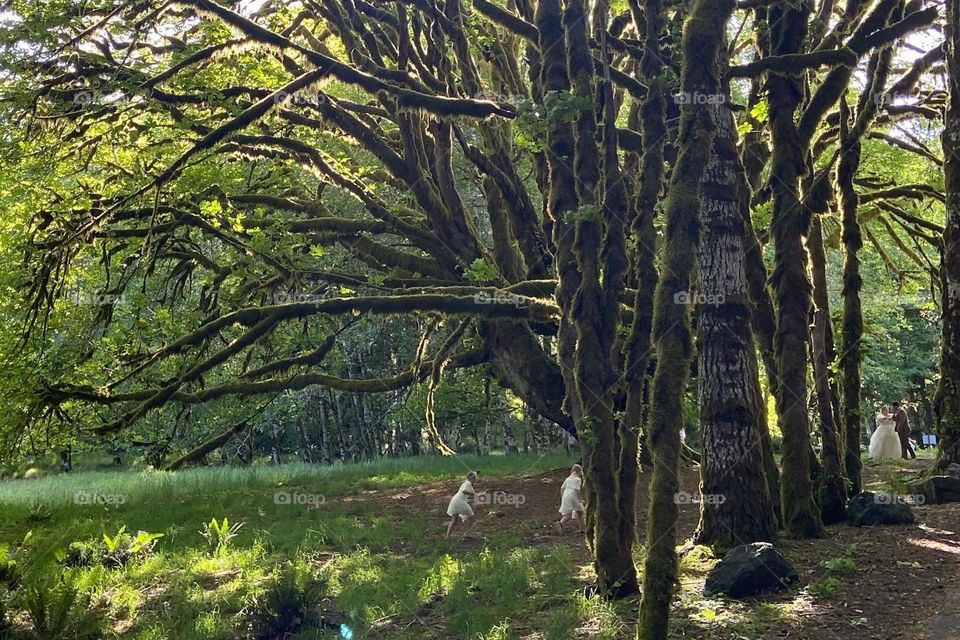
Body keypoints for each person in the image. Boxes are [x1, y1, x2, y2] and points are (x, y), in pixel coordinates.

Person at [445, 471, 477, 538]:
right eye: (475, 478)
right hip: (459, 502)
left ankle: (447, 536)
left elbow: (468, 495)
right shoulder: (468, 483)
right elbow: (464, 491)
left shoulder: (465, 483)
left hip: (454, 500)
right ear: (472, 478)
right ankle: (467, 533)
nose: (475, 480)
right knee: (471, 516)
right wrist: (475, 495)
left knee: (454, 519)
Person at [556, 464, 585, 533]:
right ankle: (561, 523)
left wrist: (563, 497)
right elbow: (576, 490)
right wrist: (580, 499)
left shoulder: (568, 478)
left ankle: (561, 523)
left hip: (566, 494)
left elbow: (562, 488)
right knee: (579, 512)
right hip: (573, 495)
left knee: (572, 513)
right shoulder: (577, 479)